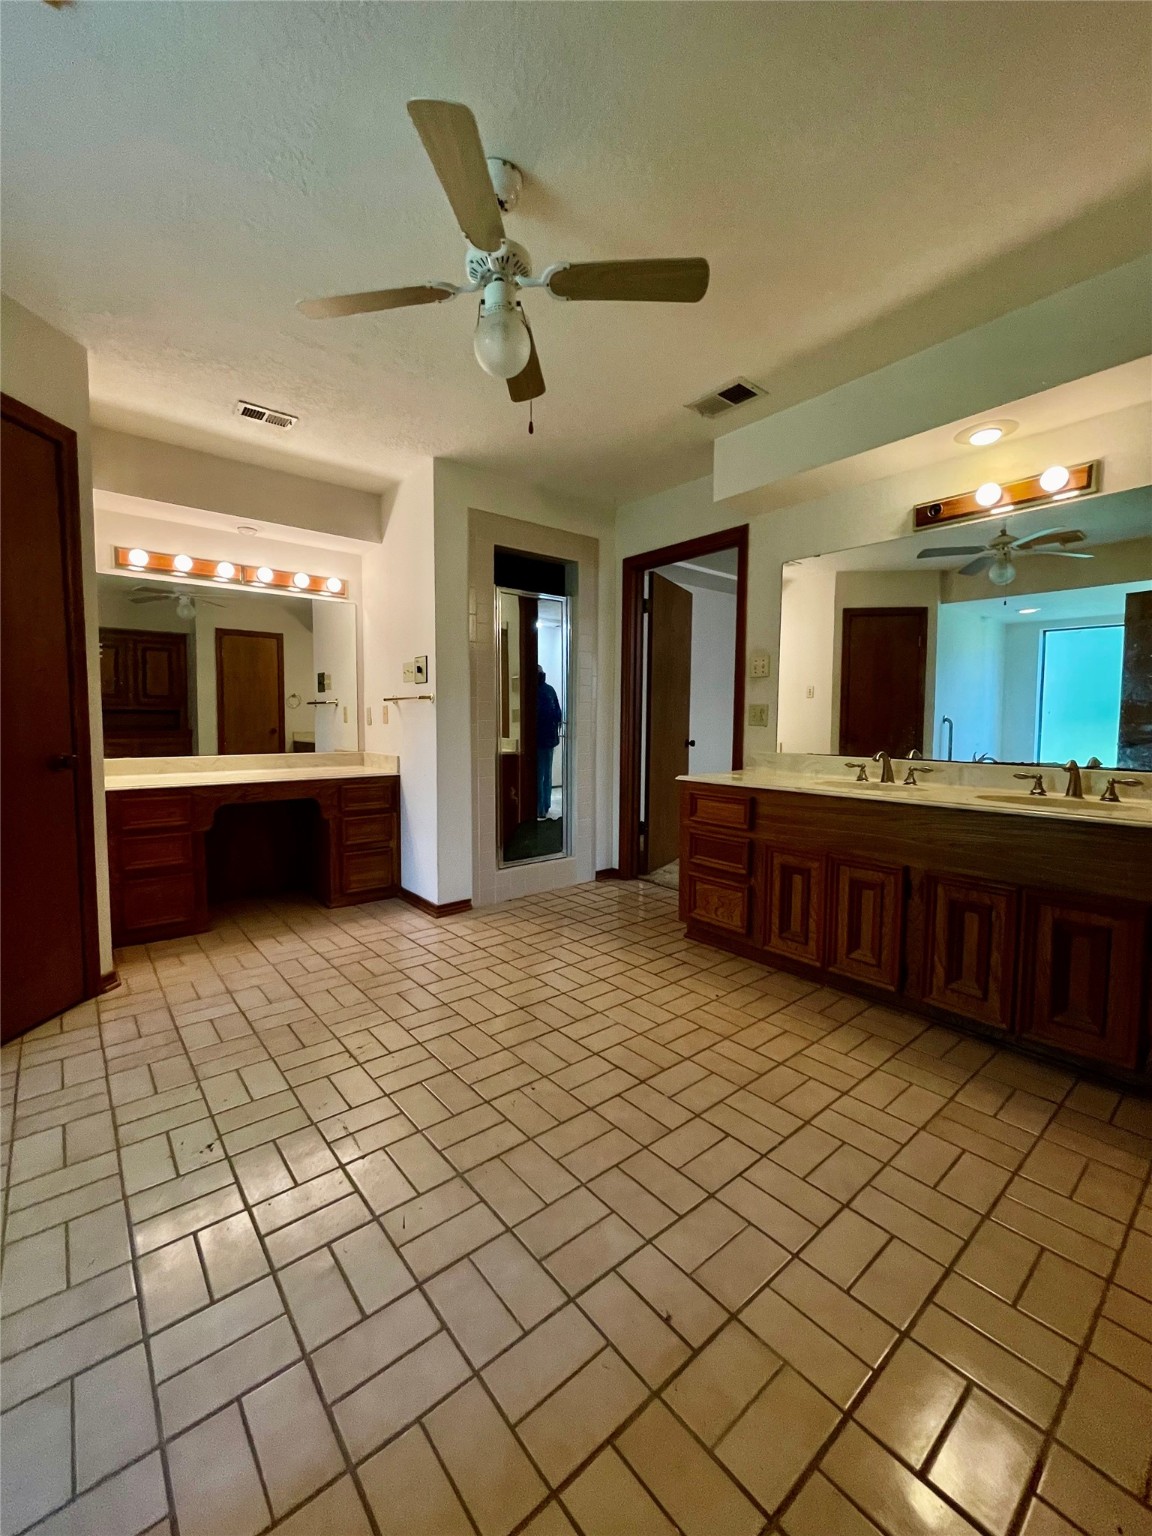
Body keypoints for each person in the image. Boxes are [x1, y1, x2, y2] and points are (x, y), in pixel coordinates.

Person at [536, 665, 563, 820]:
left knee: (539, 775)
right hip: (550, 740)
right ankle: (546, 806)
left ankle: (539, 808)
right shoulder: (550, 690)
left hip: (537, 740)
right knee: (547, 774)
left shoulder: (532, 691)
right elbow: (558, 714)